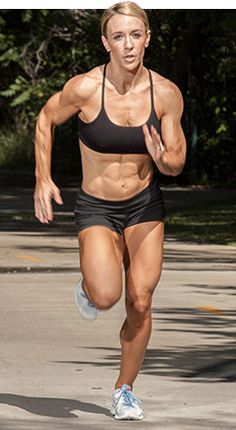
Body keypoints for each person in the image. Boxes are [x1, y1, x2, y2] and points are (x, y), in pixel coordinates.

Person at [34, 1, 186, 421]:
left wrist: (162, 159)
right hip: (97, 206)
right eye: (118, 36)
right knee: (106, 295)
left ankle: (124, 389)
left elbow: (177, 162)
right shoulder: (85, 88)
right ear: (106, 43)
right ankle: (88, 286)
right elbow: (46, 119)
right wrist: (42, 178)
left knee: (140, 298)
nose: (128, 44)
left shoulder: (166, 94)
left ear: (148, 37)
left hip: (144, 207)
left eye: (135, 35)